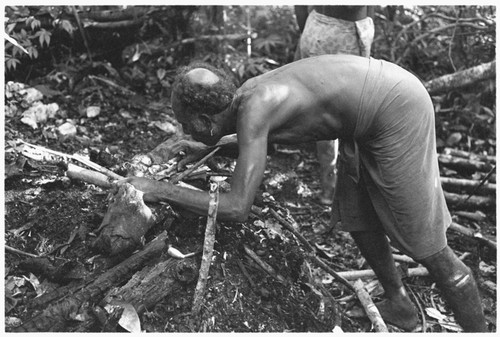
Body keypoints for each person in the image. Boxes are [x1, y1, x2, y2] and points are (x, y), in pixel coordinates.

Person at [118, 55, 487, 332]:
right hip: (368, 113)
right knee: (358, 216)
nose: (188, 131)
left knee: (427, 245)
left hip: (397, 109)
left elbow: (235, 208)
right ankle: (400, 305)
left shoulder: (256, 108)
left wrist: (158, 189)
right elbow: (262, 145)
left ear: (202, 121)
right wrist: (208, 150)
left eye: (187, 126)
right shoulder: (245, 96)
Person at [294, 5, 375, 205]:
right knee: (350, 110)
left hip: (322, 27)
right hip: (336, 29)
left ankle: (332, 188)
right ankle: (342, 190)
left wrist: (309, 30)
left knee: (329, 110)